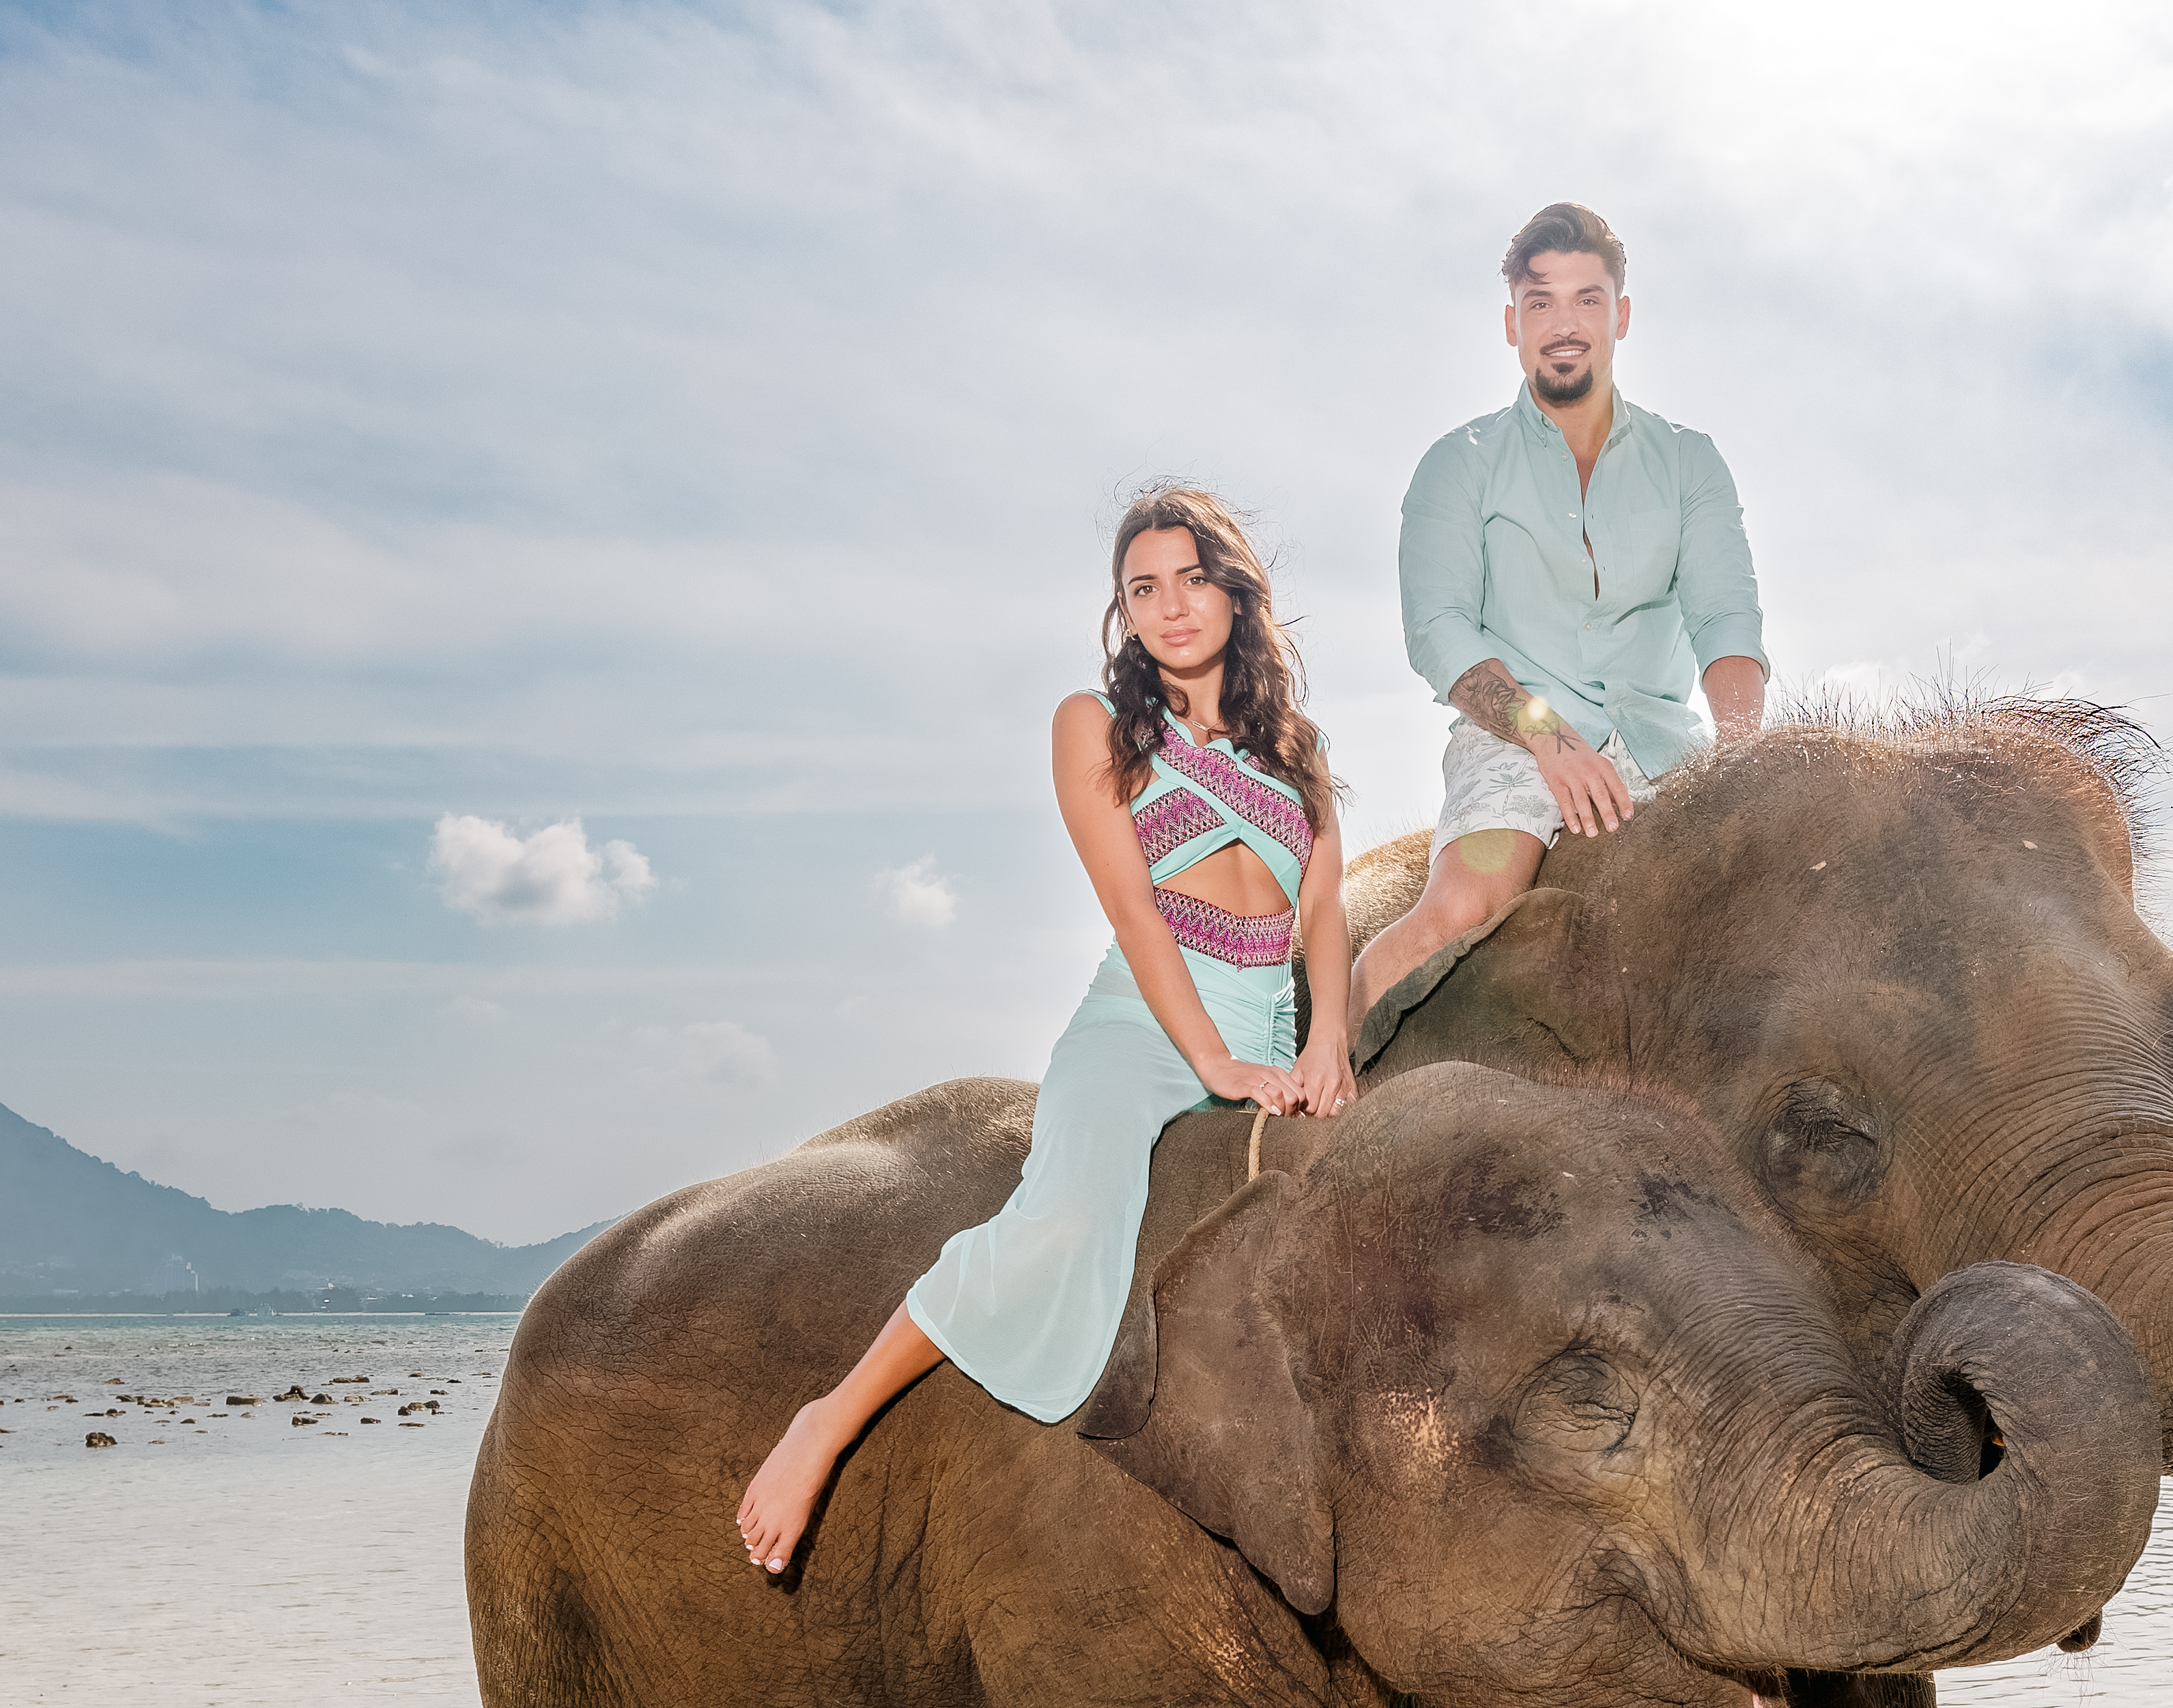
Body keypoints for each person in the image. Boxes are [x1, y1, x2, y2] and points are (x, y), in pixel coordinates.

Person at [733, 486, 1356, 1578]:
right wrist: (1212, 1061)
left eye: (1192, 579)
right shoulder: (1099, 726)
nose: (1171, 607)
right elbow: (1132, 909)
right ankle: (827, 1421)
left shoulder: (1295, 751)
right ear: (1121, 612)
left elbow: (1324, 917)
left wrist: (1328, 1044)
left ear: (1235, 592)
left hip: (1272, 1020)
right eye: (1142, 589)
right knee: (1064, 1220)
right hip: (1145, 1026)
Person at [1352, 201, 1765, 1012]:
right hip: (1517, 742)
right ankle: (1327, 1081)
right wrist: (1551, 738)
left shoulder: (1690, 463)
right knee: (1460, 912)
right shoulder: (1457, 464)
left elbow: (1726, 619)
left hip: (1664, 750)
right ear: (1513, 324)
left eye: (1586, 299)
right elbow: (1438, 629)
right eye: (1540, 302)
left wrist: (1746, 762)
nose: (1564, 322)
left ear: (1622, 315)